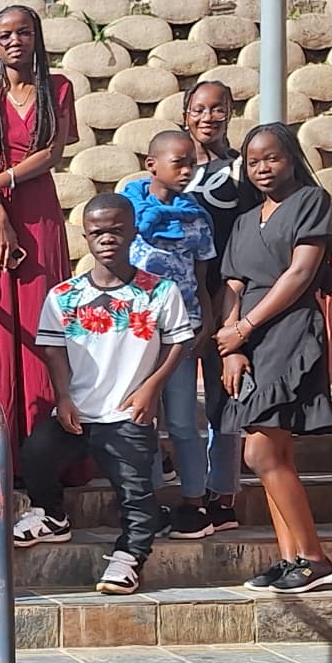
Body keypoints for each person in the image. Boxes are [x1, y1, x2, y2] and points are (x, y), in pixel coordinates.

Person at [10, 192, 193, 596]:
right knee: (35, 453)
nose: (107, 238)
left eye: (116, 230)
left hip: (128, 413)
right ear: (86, 237)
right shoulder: (64, 295)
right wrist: (62, 397)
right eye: (98, 232)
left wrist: (152, 387)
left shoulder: (160, 291)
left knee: (134, 492)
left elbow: (178, 342)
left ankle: (130, 555)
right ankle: (52, 516)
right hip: (79, 410)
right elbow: (53, 349)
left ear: (132, 232)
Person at [218, 121, 332, 593]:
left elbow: (299, 274)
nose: (263, 168)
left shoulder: (310, 203)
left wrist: (246, 328)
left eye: (271, 157)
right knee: (275, 448)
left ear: (291, 157)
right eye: (253, 162)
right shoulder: (245, 221)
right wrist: (230, 342)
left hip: (289, 329)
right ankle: (290, 557)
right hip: (247, 343)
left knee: (261, 449)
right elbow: (231, 284)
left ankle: (315, 557)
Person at [0, 2, 77, 487]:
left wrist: (6, 179)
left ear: (37, 37)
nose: (14, 41)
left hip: (41, 216)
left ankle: (45, 455)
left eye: (23, 32)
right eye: (5, 34)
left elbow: (53, 151)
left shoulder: (59, 87)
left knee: (42, 328)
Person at [122, 129, 221, 538]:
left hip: (181, 332)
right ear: (152, 165)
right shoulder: (126, 211)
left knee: (182, 420)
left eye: (191, 163)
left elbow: (201, 276)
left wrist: (207, 321)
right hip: (135, 332)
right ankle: (150, 499)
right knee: (141, 418)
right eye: (178, 162)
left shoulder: (196, 218)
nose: (186, 170)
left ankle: (195, 501)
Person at [177, 80, 247, 534]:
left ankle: (224, 496)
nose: (208, 117)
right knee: (181, 406)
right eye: (199, 109)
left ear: (230, 111)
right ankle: (192, 495)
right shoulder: (174, 169)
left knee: (227, 403)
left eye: (217, 108)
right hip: (182, 303)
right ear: (186, 114)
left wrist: (235, 309)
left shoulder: (244, 170)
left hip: (232, 299)